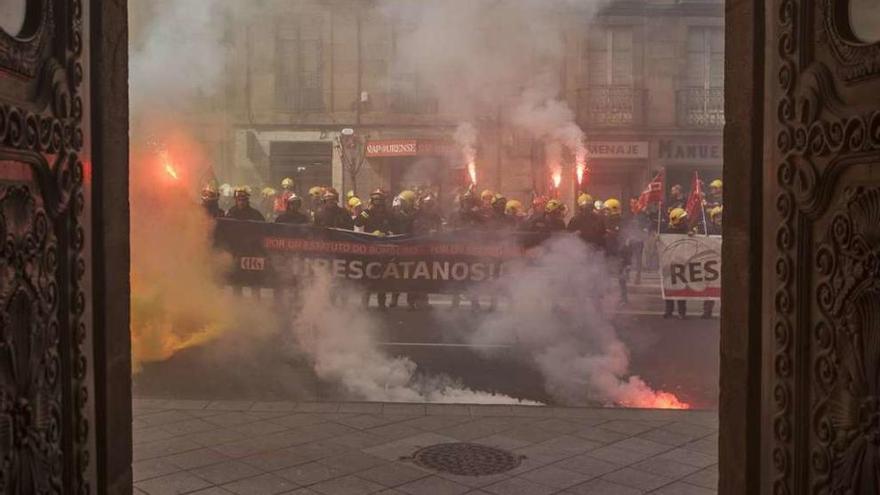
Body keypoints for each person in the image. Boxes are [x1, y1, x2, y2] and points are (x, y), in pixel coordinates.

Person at [356, 189, 394, 309]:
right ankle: (364, 303)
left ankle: (381, 304)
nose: (377, 202)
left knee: (382, 278)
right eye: (375, 199)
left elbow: (396, 227)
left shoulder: (388, 214)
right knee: (367, 275)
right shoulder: (367, 213)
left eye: (380, 200)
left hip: (384, 250)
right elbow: (357, 223)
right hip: (369, 250)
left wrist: (387, 233)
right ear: (372, 200)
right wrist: (366, 211)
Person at [603, 198, 631, 306]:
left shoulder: (621, 221)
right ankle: (609, 296)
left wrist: (627, 260)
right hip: (609, 250)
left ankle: (623, 298)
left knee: (621, 277)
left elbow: (625, 238)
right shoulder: (606, 220)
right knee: (606, 274)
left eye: (607, 210)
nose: (606, 212)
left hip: (619, 251)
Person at [664, 207, 690, 319]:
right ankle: (669, 311)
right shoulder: (666, 232)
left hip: (682, 262)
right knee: (669, 287)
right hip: (669, 263)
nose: (685, 221)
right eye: (683, 219)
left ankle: (681, 311)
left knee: (681, 288)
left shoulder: (688, 231)